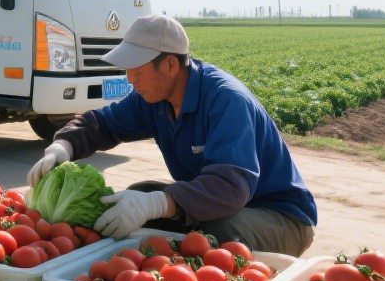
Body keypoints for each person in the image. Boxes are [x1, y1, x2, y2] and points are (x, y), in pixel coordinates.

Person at [25, 14, 317, 256]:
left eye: (137, 71)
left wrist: (159, 203)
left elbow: (231, 186)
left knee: (215, 236)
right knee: (136, 195)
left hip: (278, 217)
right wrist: (62, 147)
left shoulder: (226, 100)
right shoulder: (154, 99)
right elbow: (101, 124)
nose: (130, 80)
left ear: (170, 65)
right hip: (222, 205)